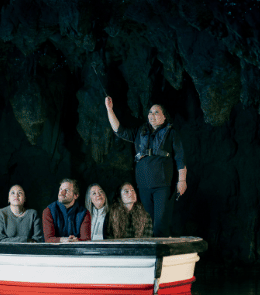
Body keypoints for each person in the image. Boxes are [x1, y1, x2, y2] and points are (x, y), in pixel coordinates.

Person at [104, 97, 187, 236]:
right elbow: (119, 131)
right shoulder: (140, 131)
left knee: (160, 224)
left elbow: (180, 158)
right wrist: (109, 109)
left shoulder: (171, 133)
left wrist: (182, 180)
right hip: (143, 186)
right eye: (150, 112)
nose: (152, 115)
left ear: (164, 116)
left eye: (156, 112)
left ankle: (161, 249)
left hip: (163, 185)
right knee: (146, 224)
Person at [42, 179, 92, 243]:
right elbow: (48, 239)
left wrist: (77, 240)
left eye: (67, 190)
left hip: (77, 248)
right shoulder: (48, 211)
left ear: (75, 195)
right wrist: (63, 240)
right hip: (55, 249)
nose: (62, 193)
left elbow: (86, 240)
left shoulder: (84, 213)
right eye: (61, 189)